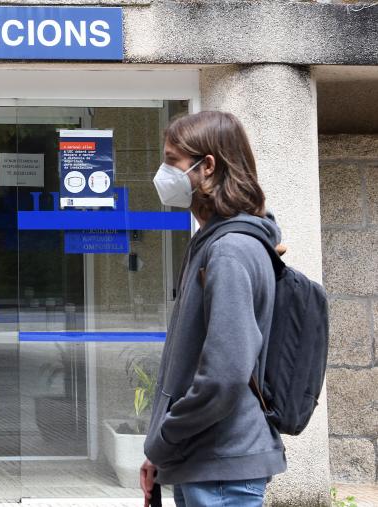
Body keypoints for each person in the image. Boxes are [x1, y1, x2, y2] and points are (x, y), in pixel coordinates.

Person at [139, 111, 287, 507]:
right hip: (203, 461)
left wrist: (164, 438)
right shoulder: (213, 243)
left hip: (221, 467)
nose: (163, 173)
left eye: (172, 161)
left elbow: (223, 377)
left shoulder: (229, 251)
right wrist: (160, 450)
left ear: (207, 167)